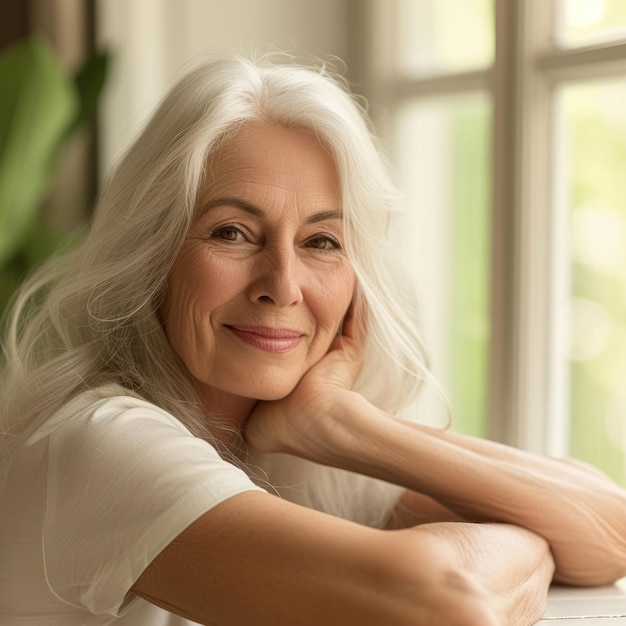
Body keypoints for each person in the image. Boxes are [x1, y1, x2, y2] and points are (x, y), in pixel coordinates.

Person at [0, 51, 625, 626]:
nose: (283, 284)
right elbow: (445, 604)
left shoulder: (275, 447)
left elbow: (610, 535)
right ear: (151, 256)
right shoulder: (100, 442)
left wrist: (338, 424)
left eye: (321, 241)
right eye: (232, 233)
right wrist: (528, 537)